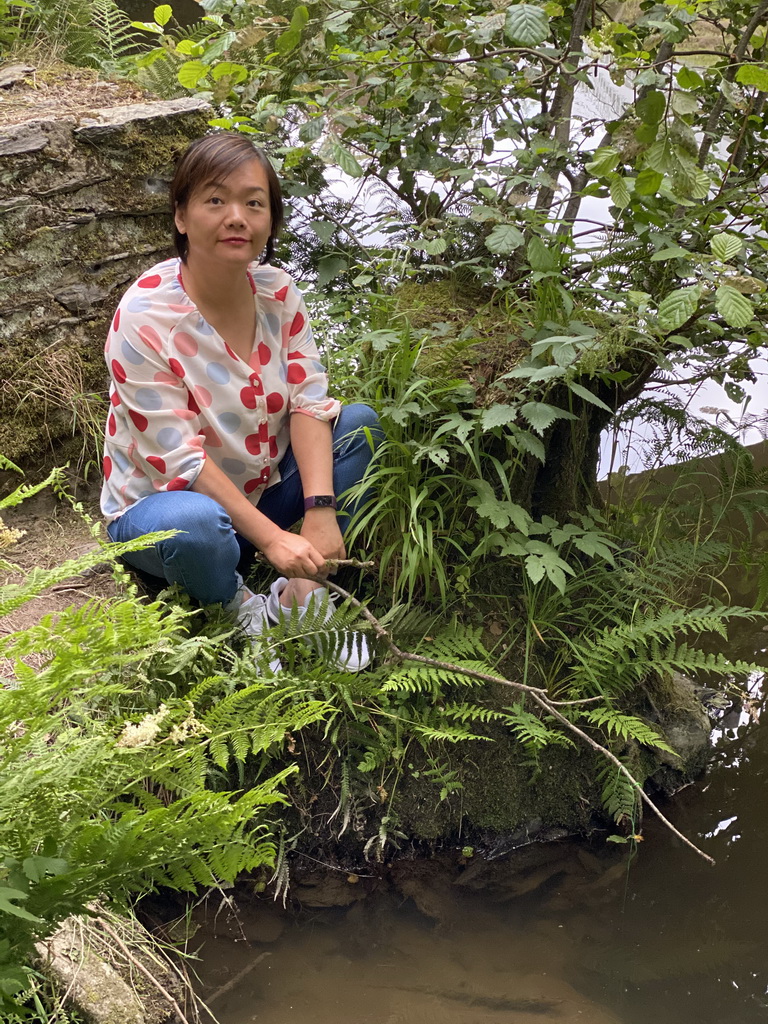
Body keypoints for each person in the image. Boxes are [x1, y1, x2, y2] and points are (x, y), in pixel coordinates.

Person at [101, 132, 381, 672]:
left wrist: (319, 513)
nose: (237, 217)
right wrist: (274, 536)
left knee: (360, 427)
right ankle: (234, 608)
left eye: (254, 203)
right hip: (163, 508)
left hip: (261, 488)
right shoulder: (145, 317)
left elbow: (308, 402)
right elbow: (181, 461)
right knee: (197, 524)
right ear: (181, 216)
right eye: (215, 200)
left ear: (270, 220)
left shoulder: (278, 293)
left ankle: (299, 592)